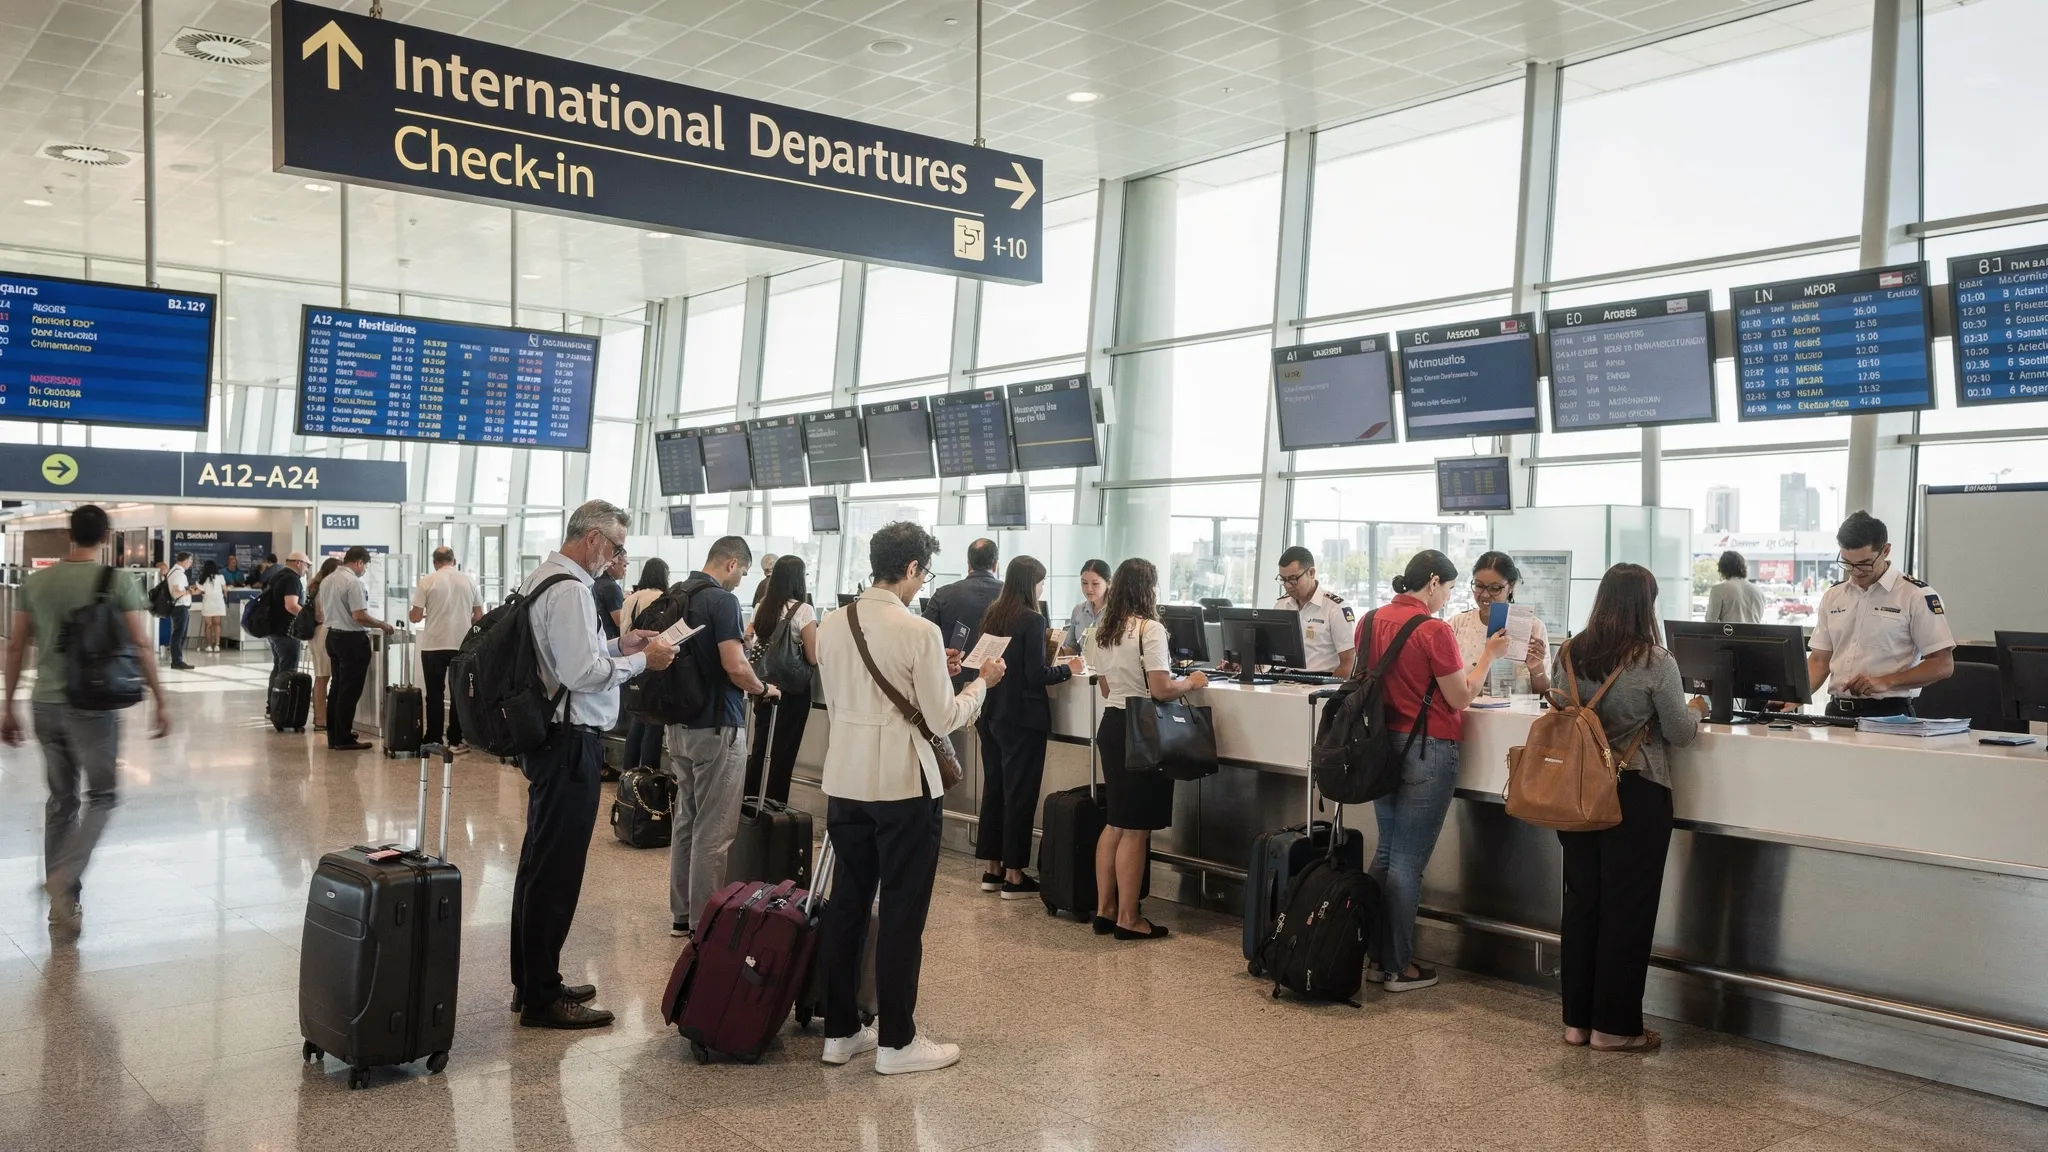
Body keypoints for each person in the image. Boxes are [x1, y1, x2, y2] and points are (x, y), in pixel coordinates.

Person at [814, 521, 1003, 1074]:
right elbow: (944, 718)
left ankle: (841, 1032)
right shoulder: (916, 630)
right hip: (903, 788)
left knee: (847, 904)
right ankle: (897, 1041)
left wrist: (936, 675)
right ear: (914, 569)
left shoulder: (831, 622)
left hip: (845, 782)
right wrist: (981, 682)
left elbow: (860, 689)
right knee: (901, 911)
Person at [510, 501, 676, 1028]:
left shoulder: (544, 577)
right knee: (555, 872)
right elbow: (582, 674)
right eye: (617, 546)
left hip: (552, 741)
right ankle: (540, 996)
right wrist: (639, 661)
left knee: (539, 864)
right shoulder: (570, 589)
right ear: (594, 540)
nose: (617, 558)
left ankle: (535, 980)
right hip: (569, 744)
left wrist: (617, 644)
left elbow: (570, 657)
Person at [1554, 563, 1706, 1054]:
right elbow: (1680, 733)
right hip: (1635, 792)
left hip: (1576, 790)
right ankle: (1614, 1028)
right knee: (1627, 909)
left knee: (1582, 902)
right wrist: (1699, 710)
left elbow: (1559, 710)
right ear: (1647, 605)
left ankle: (1576, 1023)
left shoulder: (1570, 651)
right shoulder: (1653, 660)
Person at [0, 505, 170, 930]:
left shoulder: (37, 582)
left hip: (45, 705)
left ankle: (63, 904)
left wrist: (7, 705)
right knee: (103, 796)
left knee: (61, 802)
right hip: (93, 708)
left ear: (67, 534)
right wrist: (161, 699)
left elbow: (16, 646)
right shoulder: (117, 581)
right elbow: (141, 645)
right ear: (107, 535)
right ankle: (63, 878)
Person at [1357, 550, 1505, 991]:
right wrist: (1489, 656)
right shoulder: (1433, 629)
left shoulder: (1370, 620)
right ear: (1434, 582)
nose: (1450, 598)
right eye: (1452, 588)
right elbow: (1460, 697)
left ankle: (1374, 955)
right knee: (1406, 861)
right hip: (1428, 748)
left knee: (1386, 853)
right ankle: (1398, 967)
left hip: (1382, 747)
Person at [1084, 558, 1207, 941]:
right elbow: (1160, 689)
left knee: (1116, 823)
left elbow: (1105, 688)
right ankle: (1129, 917)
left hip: (1113, 725)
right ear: (1149, 589)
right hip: (1143, 732)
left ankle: (1105, 910)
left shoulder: (1100, 628)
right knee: (1136, 831)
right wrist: (1191, 682)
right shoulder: (1149, 629)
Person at [665, 536, 779, 939]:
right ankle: (705, 924)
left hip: (677, 727)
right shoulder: (722, 601)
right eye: (743, 573)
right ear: (731, 563)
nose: (741, 582)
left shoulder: (677, 593)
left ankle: (682, 914)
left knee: (687, 820)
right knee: (714, 830)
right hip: (717, 726)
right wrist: (762, 688)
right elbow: (734, 665)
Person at [976, 556, 1082, 898]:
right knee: (1019, 795)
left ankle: (991, 869)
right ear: (1030, 584)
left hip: (990, 712)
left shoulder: (994, 613)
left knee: (995, 790)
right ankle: (1015, 875)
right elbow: (1036, 675)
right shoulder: (1032, 619)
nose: (1042, 588)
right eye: (1040, 582)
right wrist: (1070, 669)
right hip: (1022, 718)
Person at [1800, 511, 1955, 718]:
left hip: (1889, 714)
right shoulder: (1833, 596)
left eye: (1864, 563)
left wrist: (1885, 681)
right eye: (1847, 563)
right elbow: (1819, 661)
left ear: (1886, 551)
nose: (1855, 571)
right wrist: (1796, 695)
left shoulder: (1915, 595)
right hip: (1836, 712)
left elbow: (1942, 664)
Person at [742, 555, 819, 805]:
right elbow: (812, 656)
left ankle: (751, 802)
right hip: (792, 691)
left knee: (761, 746)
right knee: (784, 752)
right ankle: (775, 806)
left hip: (764, 685)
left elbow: (749, 637)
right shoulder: (803, 610)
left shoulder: (762, 605)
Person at [320, 546, 396, 752]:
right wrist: (382, 624)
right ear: (360, 562)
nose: (364, 570)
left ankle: (335, 735)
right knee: (349, 691)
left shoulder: (327, 580)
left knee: (336, 689)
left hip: (333, 636)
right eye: (365, 566)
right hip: (351, 640)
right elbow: (359, 616)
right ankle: (344, 738)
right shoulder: (353, 582)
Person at [410, 546, 484, 753]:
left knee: (434, 694)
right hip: (461, 646)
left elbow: (415, 616)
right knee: (458, 694)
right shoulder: (469, 580)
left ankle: (433, 738)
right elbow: (479, 616)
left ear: (434, 562)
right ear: (454, 560)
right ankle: (455, 740)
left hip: (433, 645)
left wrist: (421, 613)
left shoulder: (428, 580)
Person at [1447, 550, 1550, 695]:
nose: (1485, 595)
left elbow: (1544, 696)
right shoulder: (1457, 624)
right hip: (1467, 714)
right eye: (1479, 586)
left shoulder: (1533, 627)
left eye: (1495, 588)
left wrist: (1537, 670)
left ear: (1511, 587)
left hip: (1514, 716)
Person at [923, 538, 1002, 688]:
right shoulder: (1009, 596)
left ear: (968, 564)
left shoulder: (943, 594)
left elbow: (923, 637)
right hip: (997, 683)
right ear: (995, 564)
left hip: (952, 681)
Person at [617, 558, 670, 775]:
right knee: (654, 721)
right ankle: (648, 776)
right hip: (651, 662)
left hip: (630, 661)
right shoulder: (659, 598)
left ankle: (628, 772)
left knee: (638, 718)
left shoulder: (630, 598)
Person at [1272, 546, 1355, 677]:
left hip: (1323, 681)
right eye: (1283, 579)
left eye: (1293, 579)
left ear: (1311, 573)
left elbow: (1348, 663)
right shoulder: (1281, 606)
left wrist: (1329, 694)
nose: (1288, 585)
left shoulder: (1335, 608)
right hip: (1285, 679)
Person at [264, 552, 310, 695]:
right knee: (288, 670)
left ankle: (272, 706)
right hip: (286, 631)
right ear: (298, 563)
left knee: (278, 667)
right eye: (306, 565)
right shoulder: (292, 579)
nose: (306, 569)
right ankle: (283, 707)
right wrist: (308, 616)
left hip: (273, 629)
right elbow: (291, 605)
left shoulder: (277, 576)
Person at [306, 557, 340, 730]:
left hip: (315, 633)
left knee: (320, 676)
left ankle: (319, 716)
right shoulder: (326, 587)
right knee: (323, 677)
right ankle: (321, 719)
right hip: (324, 632)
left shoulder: (314, 586)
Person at [1062, 558, 1111, 653]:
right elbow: (1072, 648)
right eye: (1084, 583)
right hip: (1084, 666)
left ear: (1108, 583)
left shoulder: (1118, 611)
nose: (1089, 589)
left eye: (1095, 584)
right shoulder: (1078, 610)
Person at [1706, 550, 1767, 625]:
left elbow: (1710, 622)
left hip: (1729, 635)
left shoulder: (1718, 589)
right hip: (1754, 636)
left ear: (1722, 568)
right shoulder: (1759, 591)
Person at [166, 552, 194, 670]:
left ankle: (178, 660)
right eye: (190, 561)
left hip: (180, 606)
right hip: (180, 606)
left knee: (179, 634)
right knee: (179, 634)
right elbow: (176, 591)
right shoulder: (178, 574)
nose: (190, 564)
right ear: (184, 561)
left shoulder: (175, 572)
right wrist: (189, 592)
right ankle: (177, 661)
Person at [591, 550, 626, 642]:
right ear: (613, 565)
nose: (625, 569)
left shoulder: (595, 581)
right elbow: (620, 622)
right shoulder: (611, 587)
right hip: (611, 641)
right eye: (624, 565)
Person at [197, 560, 227, 653]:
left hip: (208, 603)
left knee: (208, 625)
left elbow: (199, 591)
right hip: (219, 603)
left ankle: (209, 646)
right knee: (217, 624)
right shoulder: (221, 577)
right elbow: (225, 590)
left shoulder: (202, 579)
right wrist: (225, 600)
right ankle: (217, 645)